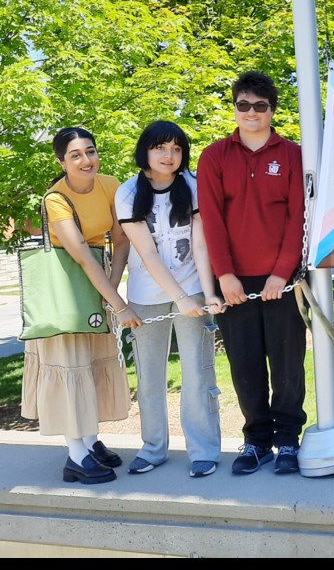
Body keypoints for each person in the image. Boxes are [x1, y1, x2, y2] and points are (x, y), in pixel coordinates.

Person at [197, 70, 307, 476]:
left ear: (272, 110)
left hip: (284, 281)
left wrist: (282, 273)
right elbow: (211, 220)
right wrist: (224, 276)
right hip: (234, 283)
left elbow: (299, 218)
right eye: (243, 105)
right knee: (244, 366)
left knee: (287, 364)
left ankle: (287, 441)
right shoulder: (214, 156)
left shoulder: (293, 155)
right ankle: (256, 442)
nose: (251, 113)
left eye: (260, 106)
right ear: (235, 108)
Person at [20, 127, 142, 484]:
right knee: (69, 366)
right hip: (67, 287)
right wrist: (119, 304)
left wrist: (112, 286)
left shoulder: (110, 184)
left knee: (91, 364)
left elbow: (121, 240)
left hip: (98, 282)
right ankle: (75, 457)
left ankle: (89, 442)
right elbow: (82, 259)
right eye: (75, 155)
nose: (86, 160)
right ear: (61, 161)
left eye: (90, 151)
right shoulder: (55, 198)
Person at [115, 120, 225, 478]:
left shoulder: (192, 185)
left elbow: (200, 243)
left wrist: (207, 293)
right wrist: (179, 299)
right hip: (147, 297)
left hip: (192, 289)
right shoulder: (129, 193)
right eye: (161, 147)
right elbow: (146, 253)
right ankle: (153, 448)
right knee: (150, 376)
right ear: (145, 151)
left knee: (197, 371)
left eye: (177, 149)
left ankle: (203, 450)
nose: (169, 155)